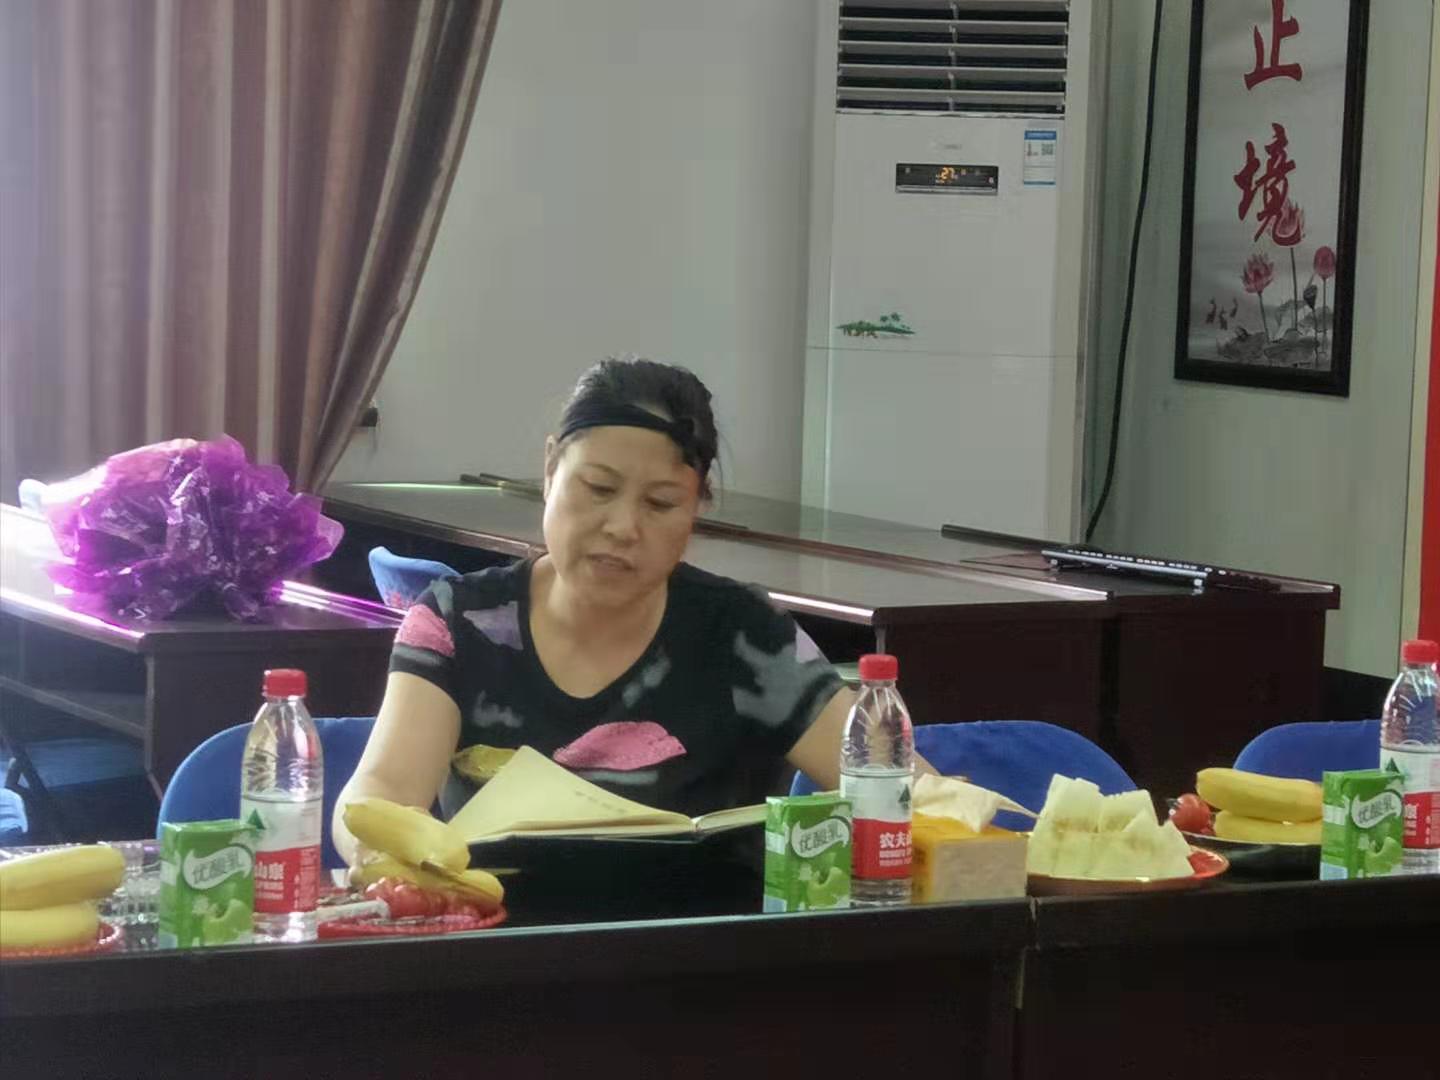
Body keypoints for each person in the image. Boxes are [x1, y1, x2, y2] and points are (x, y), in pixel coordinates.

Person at [333, 356, 926, 866]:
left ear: (697, 510)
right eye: (598, 488)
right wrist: (387, 853)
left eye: (661, 504)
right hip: (499, 945)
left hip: (704, 951)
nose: (622, 527)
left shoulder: (743, 635)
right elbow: (382, 792)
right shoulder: (457, 622)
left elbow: (904, 793)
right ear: (550, 470)